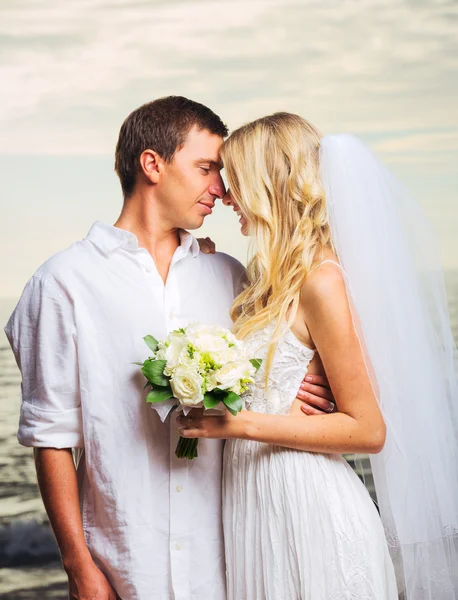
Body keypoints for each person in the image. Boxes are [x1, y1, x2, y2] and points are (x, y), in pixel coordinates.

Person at [4, 98, 332, 600]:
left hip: (231, 562)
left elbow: (268, 380)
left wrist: (294, 394)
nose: (221, 189)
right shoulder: (62, 283)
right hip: (127, 564)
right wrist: (79, 567)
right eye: (206, 168)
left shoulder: (231, 277)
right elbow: (51, 436)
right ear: (152, 164)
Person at [177, 113, 458, 599]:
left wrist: (239, 424)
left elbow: (368, 431)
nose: (224, 195)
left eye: (236, 180)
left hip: (308, 508)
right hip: (253, 506)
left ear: (270, 184)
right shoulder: (266, 281)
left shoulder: (323, 281)